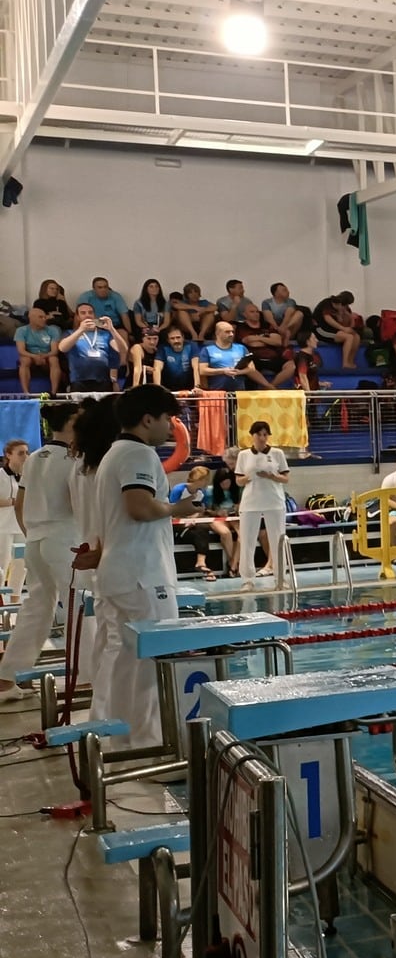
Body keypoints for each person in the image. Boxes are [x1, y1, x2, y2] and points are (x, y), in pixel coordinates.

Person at [75, 387, 198, 747]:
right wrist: (179, 509)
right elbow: (138, 507)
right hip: (143, 578)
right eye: (167, 419)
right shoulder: (139, 455)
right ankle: (150, 747)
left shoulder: (113, 454)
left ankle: (123, 743)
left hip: (120, 572)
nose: (170, 428)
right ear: (148, 419)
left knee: (126, 666)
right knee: (150, 668)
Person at [0, 403, 79, 683]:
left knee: (35, 609)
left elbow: (20, 505)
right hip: (64, 541)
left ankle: (7, 677)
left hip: (35, 541)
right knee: (78, 608)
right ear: (71, 423)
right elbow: (78, 504)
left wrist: (32, 532)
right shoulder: (73, 459)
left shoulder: (34, 458)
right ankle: (85, 677)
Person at [235, 421, 291, 586]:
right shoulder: (243, 455)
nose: (262, 438)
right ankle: (247, 579)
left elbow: (286, 478)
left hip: (274, 501)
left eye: (265, 434)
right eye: (259, 434)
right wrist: (249, 476)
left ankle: (280, 577)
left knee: (278, 539)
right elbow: (238, 481)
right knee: (247, 541)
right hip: (250, 502)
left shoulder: (277, 453)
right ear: (252, 435)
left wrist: (271, 476)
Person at [59, 303, 125, 392]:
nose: (87, 315)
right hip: (79, 380)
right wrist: (81, 330)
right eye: (83, 313)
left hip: (103, 380)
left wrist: (112, 329)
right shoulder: (70, 333)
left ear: (94, 315)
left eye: (90, 312)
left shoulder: (105, 334)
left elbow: (122, 349)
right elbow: (62, 348)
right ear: (77, 317)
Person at [196, 319, 255, 387]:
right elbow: (202, 370)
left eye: (232, 332)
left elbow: (251, 368)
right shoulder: (207, 350)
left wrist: (238, 372)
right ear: (217, 333)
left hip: (239, 390)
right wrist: (223, 371)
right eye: (227, 332)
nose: (231, 334)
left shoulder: (241, 348)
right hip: (217, 390)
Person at [16, 305, 60, 394]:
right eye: (40, 317)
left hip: (47, 355)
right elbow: (21, 350)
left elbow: (55, 351)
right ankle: (26, 392)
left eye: (45, 317)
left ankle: (54, 392)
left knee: (54, 359)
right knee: (25, 360)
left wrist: (44, 356)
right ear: (31, 318)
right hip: (30, 355)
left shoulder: (53, 330)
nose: (44, 319)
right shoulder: (21, 330)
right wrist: (35, 356)